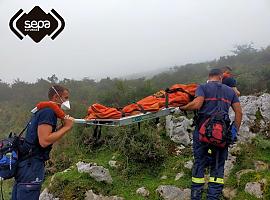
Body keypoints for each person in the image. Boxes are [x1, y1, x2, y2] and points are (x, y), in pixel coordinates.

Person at [180, 68, 242, 200]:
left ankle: (196, 196)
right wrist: (233, 132)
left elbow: (197, 104)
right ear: (221, 77)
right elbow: (239, 113)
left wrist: (183, 108)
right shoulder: (230, 91)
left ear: (209, 77)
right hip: (222, 135)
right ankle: (213, 197)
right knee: (218, 165)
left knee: (199, 163)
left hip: (202, 134)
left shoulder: (202, 87)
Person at [12, 85, 75, 200]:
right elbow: (44, 141)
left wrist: (63, 126)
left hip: (26, 164)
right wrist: (67, 128)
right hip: (32, 165)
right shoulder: (48, 112)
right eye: (65, 98)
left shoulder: (43, 110)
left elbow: (43, 136)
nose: (67, 101)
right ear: (56, 97)